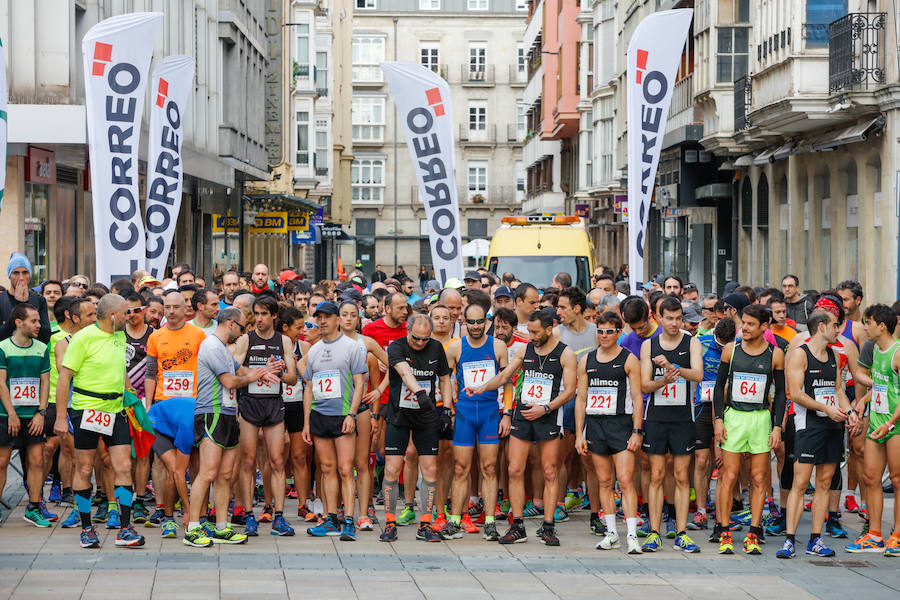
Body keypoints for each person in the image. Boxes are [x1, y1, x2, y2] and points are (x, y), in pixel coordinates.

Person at [473, 309, 577, 545]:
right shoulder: (525, 349)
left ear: (549, 329)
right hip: (522, 414)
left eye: (535, 331)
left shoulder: (565, 354)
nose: (530, 335)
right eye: (529, 331)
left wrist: (547, 408)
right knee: (514, 469)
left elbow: (570, 390)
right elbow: (505, 376)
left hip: (548, 415)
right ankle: (517, 525)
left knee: (550, 471)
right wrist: (481, 388)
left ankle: (548, 526)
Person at [54, 294, 145, 549]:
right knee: (84, 468)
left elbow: (121, 369)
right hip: (86, 410)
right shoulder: (83, 339)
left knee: (123, 465)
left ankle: (125, 528)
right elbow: (64, 378)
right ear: (113, 315)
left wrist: (133, 400)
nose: (130, 317)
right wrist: (61, 417)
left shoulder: (119, 335)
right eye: (126, 313)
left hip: (116, 409)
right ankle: (86, 528)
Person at [184, 307, 278, 547]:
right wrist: (254, 378)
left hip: (227, 413)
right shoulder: (212, 346)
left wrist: (263, 373)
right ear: (230, 324)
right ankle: (193, 527)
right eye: (242, 327)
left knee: (225, 475)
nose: (243, 331)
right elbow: (230, 381)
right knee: (208, 472)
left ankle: (222, 527)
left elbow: (240, 370)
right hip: (211, 413)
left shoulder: (225, 349)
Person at [777, 310, 858, 559]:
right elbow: (795, 393)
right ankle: (789, 540)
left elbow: (838, 390)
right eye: (835, 326)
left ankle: (816, 539)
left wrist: (850, 411)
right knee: (800, 483)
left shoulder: (834, 355)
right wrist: (825, 408)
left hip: (833, 424)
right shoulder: (800, 354)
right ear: (821, 327)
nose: (839, 330)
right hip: (808, 424)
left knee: (824, 483)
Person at [712, 304, 787, 555]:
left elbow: (781, 396)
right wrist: (719, 420)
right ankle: (724, 530)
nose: (744, 327)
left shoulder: (775, 354)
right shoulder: (730, 351)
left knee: (758, 478)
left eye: (750, 324)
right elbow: (718, 387)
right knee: (729, 476)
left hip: (760, 419)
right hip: (734, 417)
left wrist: (777, 427)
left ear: (764, 327)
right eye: (742, 322)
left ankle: (754, 533)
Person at [574, 310, 644, 554]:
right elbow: (581, 398)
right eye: (600, 331)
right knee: (604, 481)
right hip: (596, 425)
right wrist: (580, 434)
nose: (604, 336)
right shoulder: (586, 360)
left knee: (625, 481)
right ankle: (612, 532)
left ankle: (632, 535)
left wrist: (637, 431)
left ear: (618, 332)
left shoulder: (628, 359)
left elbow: (637, 397)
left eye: (609, 331)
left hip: (621, 425)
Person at [440, 303, 511, 542]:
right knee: (461, 469)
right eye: (471, 322)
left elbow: (507, 381)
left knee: (489, 469)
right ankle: (454, 520)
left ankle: (490, 522)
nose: (476, 326)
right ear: (463, 322)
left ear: (486, 321)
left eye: (480, 321)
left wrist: (507, 413)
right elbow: (446, 379)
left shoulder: (498, 346)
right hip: (464, 413)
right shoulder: (456, 347)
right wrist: (448, 408)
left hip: (490, 413)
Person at [379, 313, 452, 543]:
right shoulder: (397, 347)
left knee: (429, 469)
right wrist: (420, 393)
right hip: (400, 414)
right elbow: (404, 372)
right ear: (407, 332)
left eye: (425, 339)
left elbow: (444, 378)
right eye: (416, 338)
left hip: (426, 415)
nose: (420, 343)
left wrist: (447, 408)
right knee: (392, 468)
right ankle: (390, 523)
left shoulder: (436, 348)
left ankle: (426, 523)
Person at [639, 296, 703, 553]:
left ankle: (682, 532)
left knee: (680, 475)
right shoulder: (649, 345)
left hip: (683, 418)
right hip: (655, 416)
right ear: (659, 318)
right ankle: (654, 532)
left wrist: (673, 367)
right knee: (655, 475)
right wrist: (663, 380)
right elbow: (644, 385)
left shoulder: (692, 342)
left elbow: (697, 374)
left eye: (679, 318)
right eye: (670, 318)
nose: (675, 323)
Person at [302, 301, 369, 540]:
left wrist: (352, 414)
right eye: (319, 317)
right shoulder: (315, 350)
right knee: (327, 468)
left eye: (327, 317)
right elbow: (309, 388)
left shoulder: (352, 347)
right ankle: (331, 518)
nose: (322, 321)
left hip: (343, 416)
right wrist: (307, 423)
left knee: (344, 469)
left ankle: (349, 519)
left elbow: (360, 384)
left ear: (337, 319)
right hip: (320, 415)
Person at [231, 295, 297, 535]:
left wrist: (276, 375)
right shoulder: (246, 340)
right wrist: (261, 372)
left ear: (274, 316)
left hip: (273, 404)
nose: (259, 319)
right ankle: (248, 515)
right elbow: (235, 369)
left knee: (277, 461)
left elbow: (293, 377)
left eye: (264, 314)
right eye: (256, 314)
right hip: (249, 404)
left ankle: (279, 516)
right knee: (247, 462)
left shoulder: (285, 341)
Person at [845, 304, 900, 556]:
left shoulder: (897, 353)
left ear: (882, 326)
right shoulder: (875, 350)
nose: (864, 327)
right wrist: (860, 405)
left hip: (895, 425)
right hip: (876, 422)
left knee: (898, 481)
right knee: (870, 478)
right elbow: (878, 386)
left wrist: (890, 423)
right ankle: (875, 535)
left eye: (868, 322)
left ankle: (897, 536)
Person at [0, 304, 51, 526]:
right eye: (34, 321)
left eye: (39, 321)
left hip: (33, 414)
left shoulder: (41, 348)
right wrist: (11, 412)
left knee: (37, 460)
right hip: (6, 414)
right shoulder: (3, 348)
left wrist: (41, 413)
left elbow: (45, 383)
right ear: (19, 323)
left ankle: (33, 506)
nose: (38, 325)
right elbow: (1, 383)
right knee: (2, 462)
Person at [688, 317, 736, 533]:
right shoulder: (701, 342)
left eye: (724, 345)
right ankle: (700, 510)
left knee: (723, 462)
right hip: (703, 407)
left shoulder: (738, 347)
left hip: (726, 409)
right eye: (718, 343)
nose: (720, 348)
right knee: (701, 460)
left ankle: (721, 510)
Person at [0, 253, 52, 344]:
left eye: (25, 272)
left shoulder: (39, 300)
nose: (21, 277)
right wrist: (18, 304)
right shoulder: (1, 299)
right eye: (16, 273)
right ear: (9, 275)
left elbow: (45, 337)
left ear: (30, 275)